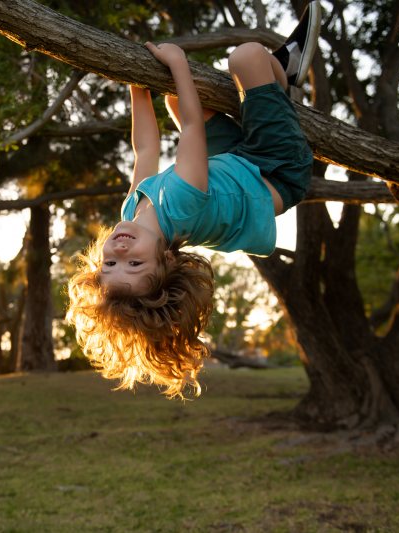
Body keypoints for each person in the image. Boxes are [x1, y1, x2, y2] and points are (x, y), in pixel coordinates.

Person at [66, 1, 321, 398]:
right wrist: (178, 62)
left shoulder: (132, 211)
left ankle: (271, 97)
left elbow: (145, 149)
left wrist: (138, 88)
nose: (118, 249)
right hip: (277, 170)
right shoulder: (182, 208)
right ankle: (285, 80)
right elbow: (189, 130)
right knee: (247, 57)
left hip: (234, 163)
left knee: (172, 99)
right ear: (167, 258)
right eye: (134, 263)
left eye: (110, 263)